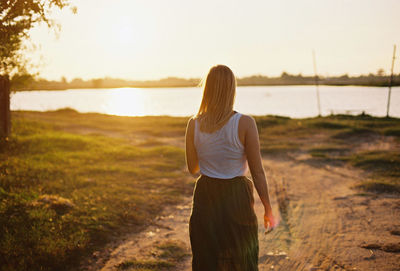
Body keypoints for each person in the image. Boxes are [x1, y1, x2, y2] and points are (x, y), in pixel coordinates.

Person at [185, 64, 277, 271]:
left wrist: (212, 154)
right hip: (236, 194)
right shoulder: (245, 123)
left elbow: (193, 168)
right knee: (241, 257)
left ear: (207, 89)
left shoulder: (194, 124)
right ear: (232, 90)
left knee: (206, 257)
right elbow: (257, 171)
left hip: (205, 193)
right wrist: (268, 208)